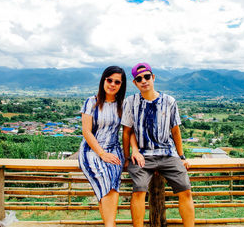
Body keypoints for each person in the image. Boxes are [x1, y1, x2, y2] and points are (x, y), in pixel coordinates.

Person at [122, 62, 195, 227]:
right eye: (139, 78)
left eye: (147, 76)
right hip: (142, 155)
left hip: (168, 153)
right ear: (135, 83)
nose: (144, 81)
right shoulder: (130, 102)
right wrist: (128, 156)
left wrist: (182, 156)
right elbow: (126, 131)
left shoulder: (169, 101)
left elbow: (175, 131)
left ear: (153, 77)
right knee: (139, 190)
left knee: (185, 189)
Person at [78, 66, 127, 227]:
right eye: (109, 80)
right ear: (103, 80)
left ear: (121, 85)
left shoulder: (123, 104)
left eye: (117, 82)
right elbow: (86, 132)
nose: (112, 84)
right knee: (104, 178)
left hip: (114, 149)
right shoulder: (91, 102)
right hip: (91, 150)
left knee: (113, 182)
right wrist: (102, 153)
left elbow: (129, 132)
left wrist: (127, 155)